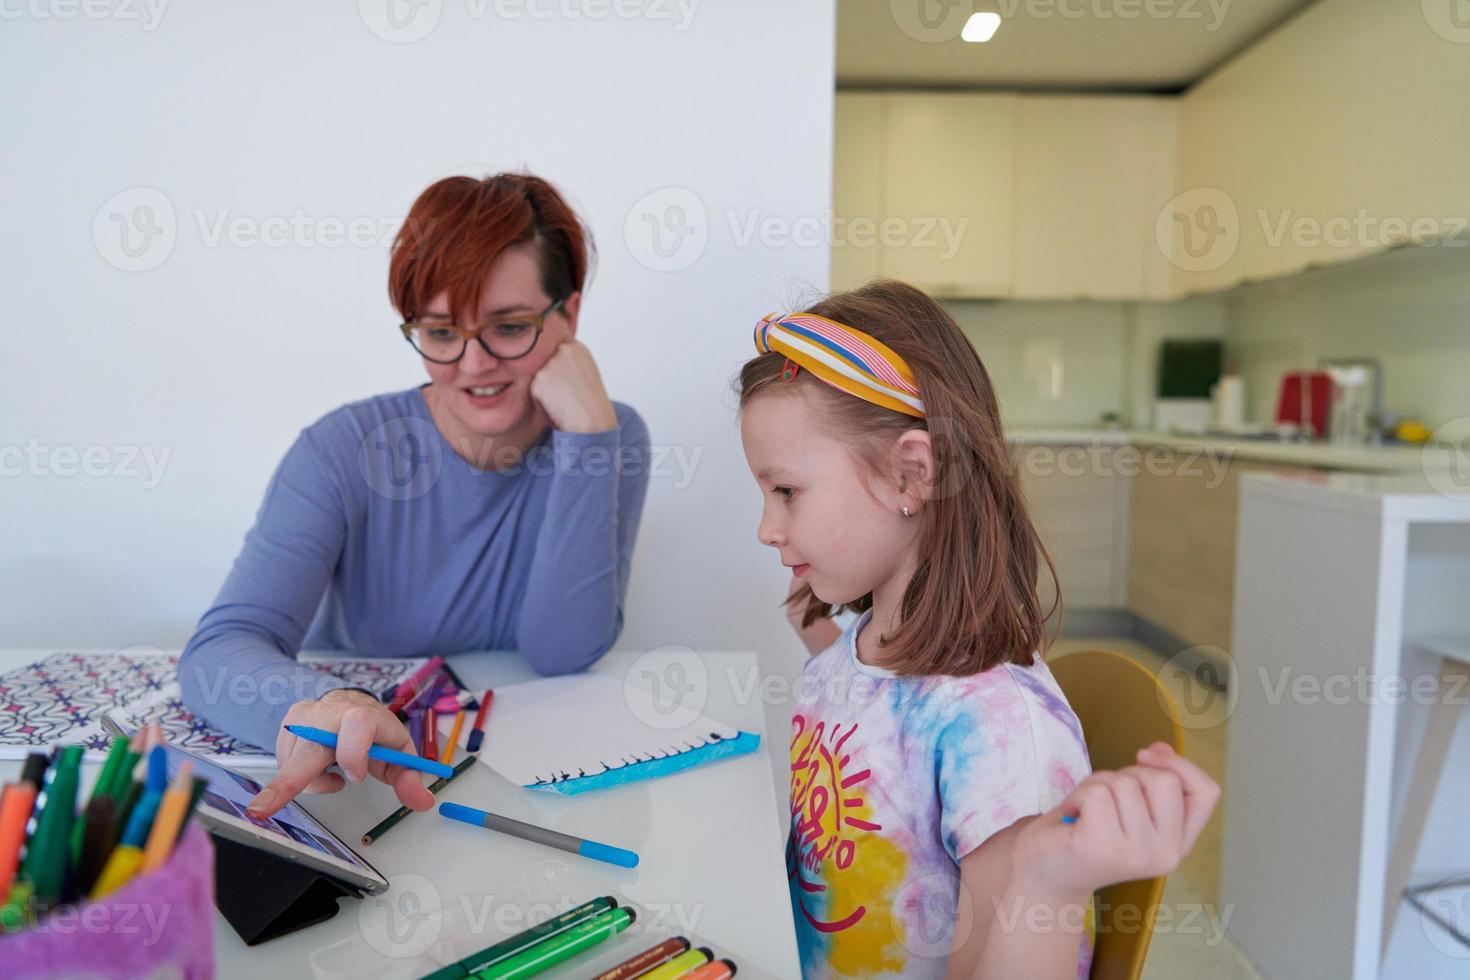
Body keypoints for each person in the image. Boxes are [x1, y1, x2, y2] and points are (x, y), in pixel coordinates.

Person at [739, 281, 1220, 978]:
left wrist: (1045, 882)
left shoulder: (998, 735)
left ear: (911, 474)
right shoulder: (867, 648)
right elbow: (877, 741)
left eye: (786, 491)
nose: (766, 528)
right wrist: (826, 647)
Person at [177, 173, 650, 819]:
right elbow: (223, 647)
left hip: (518, 780)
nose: (474, 363)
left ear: (567, 316)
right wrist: (326, 706)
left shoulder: (607, 435)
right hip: (364, 770)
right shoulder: (340, 449)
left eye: (508, 328)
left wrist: (591, 440)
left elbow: (562, 652)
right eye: (439, 333)